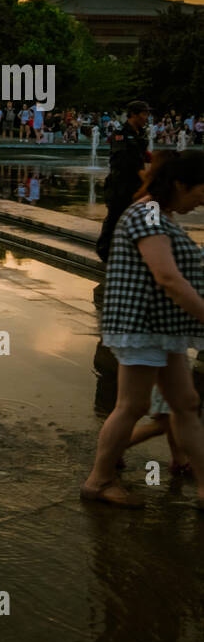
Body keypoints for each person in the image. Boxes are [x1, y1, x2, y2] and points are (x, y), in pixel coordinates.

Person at [81, 151, 204, 508]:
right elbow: (167, 277)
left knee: (185, 403)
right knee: (131, 406)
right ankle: (99, 481)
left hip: (162, 328)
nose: (202, 200)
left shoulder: (159, 214)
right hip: (143, 324)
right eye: (200, 191)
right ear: (180, 184)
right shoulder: (148, 213)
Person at [96, 100, 152, 263]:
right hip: (120, 185)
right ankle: (105, 253)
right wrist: (149, 182)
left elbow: (142, 155)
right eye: (144, 113)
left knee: (143, 216)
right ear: (133, 114)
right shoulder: (120, 134)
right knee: (115, 218)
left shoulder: (140, 132)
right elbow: (129, 162)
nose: (146, 117)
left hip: (136, 185)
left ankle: (137, 250)